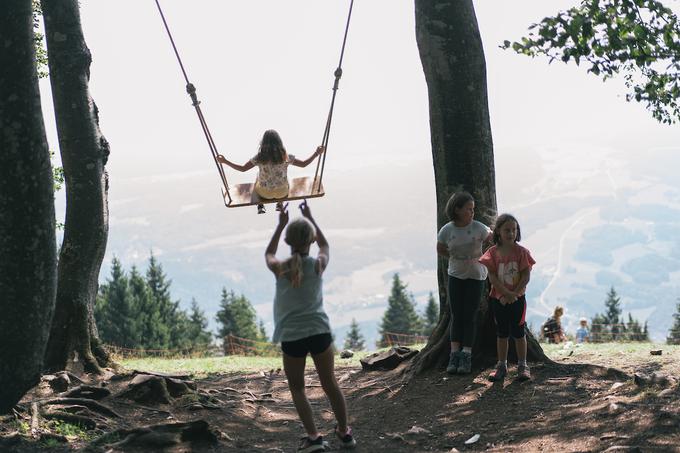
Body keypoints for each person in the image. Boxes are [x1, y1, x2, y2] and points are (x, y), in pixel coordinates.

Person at [265, 200, 356, 452]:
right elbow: (325, 245)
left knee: (297, 388)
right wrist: (312, 218)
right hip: (319, 332)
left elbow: (268, 255)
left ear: (287, 241)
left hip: (292, 337)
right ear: (311, 240)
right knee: (330, 384)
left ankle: (314, 437)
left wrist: (280, 224)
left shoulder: (281, 268)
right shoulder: (317, 265)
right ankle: (344, 433)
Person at [436, 191, 493, 374]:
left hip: (476, 275)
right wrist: (455, 257)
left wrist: (483, 257)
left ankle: (466, 354)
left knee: (470, 314)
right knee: (456, 314)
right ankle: (454, 354)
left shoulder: (479, 228)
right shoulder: (447, 230)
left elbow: (492, 239)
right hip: (456, 275)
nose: (472, 212)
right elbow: (440, 248)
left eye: (473, 209)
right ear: (457, 210)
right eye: (468, 209)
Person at [479, 213, 536, 382]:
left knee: (519, 333)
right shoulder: (492, 253)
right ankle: (501, 366)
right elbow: (493, 278)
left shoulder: (522, 252)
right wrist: (505, 293)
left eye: (514, 230)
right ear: (498, 232)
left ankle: (522, 366)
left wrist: (514, 293)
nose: (511, 233)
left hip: (518, 300)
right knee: (501, 333)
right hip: (499, 299)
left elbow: (525, 275)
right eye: (507, 230)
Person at [217, 129, 323, 214]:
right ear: (279, 142)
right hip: (282, 193)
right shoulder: (286, 157)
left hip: (264, 194)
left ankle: (260, 205)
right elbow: (304, 164)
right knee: (285, 180)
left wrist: (225, 161)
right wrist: (317, 153)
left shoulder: (259, 157)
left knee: (258, 176)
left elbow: (242, 169)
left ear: (263, 143)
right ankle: (280, 204)